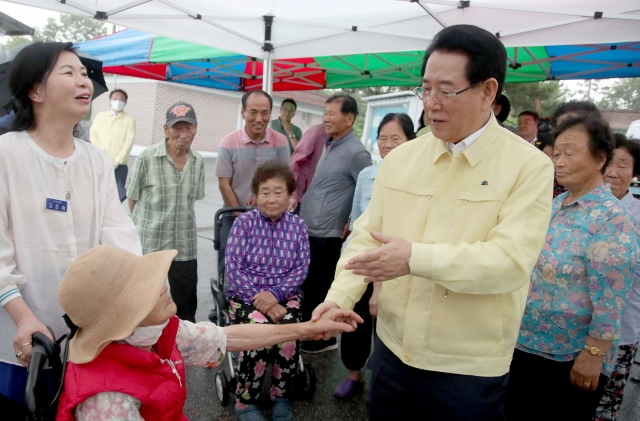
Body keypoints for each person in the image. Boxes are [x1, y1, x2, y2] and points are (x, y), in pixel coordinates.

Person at [312, 24, 555, 420]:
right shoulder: (403, 159)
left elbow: (510, 262)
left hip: (466, 369)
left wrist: (414, 259)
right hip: (391, 351)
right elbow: (366, 236)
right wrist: (339, 297)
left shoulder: (528, 167)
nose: (432, 104)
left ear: (488, 92)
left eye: (446, 90)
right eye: (425, 89)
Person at [55, 245, 363, 421]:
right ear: (126, 316)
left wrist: (308, 328)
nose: (163, 285)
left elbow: (228, 337)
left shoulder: (154, 332)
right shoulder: (108, 404)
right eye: (145, 288)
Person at [0, 42, 141, 420]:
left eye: (83, 73)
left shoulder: (95, 160)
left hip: (85, 333)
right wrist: (23, 316)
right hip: (17, 330)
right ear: (36, 90)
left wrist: (143, 290)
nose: (83, 81)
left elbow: (119, 236)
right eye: (68, 72)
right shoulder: (6, 154)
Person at [508, 116, 639, 421]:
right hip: (526, 347)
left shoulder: (612, 220)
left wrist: (593, 355)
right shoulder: (555, 206)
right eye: (557, 154)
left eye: (570, 153)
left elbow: (612, 300)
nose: (559, 162)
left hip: (570, 359)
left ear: (600, 159)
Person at [334, 113, 415, 400]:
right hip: (363, 260)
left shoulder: (416, 179)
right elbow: (359, 219)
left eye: (396, 138)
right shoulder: (368, 174)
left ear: (411, 141)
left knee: (386, 320)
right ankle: (354, 373)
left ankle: (381, 377)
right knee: (355, 319)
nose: (389, 144)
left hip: (395, 265)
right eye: (383, 138)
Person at [225, 161, 310, 421]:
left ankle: (280, 395)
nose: (271, 199)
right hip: (245, 295)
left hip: (283, 295)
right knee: (258, 330)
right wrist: (259, 299)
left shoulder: (298, 227)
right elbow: (233, 267)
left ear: (289, 195)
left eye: (278, 191)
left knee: (289, 329)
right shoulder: (244, 224)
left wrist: (276, 295)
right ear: (256, 195)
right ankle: (245, 400)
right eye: (265, 192)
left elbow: (301, 268)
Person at [299, 95, 372, 354]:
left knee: (320, 286)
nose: (326, 118)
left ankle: (324, 339)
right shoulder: (330, 145)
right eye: (325, 113)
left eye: (332, 113)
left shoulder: (356, 152)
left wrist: (351, 223)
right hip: (310, 229)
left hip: (328, 232)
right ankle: (311, 330)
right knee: (308, 284)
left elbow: (368, 191)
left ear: (350, 118)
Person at [126, 102, 205, 323]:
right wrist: (143, 227)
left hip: (184, 243)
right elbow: (132, 197)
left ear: (196, 128)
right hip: (150, 241)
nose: (183, 134)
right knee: (144, 301)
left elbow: (193, 200)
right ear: (165, 129)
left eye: (188, 127)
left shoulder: (198, 161)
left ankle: (182, 349)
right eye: (177, 127)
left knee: (186, 303)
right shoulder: (146, 158)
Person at [215, 90, 291, 290]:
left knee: (268, 270)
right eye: (253, 112)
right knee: (229, 270)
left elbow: (283, 180)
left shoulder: (280, 142)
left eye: (265, 113)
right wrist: (242, 215)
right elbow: (224, 184)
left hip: (271, 217)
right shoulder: (228, 143)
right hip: (233, 215)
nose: (259, 119)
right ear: (243, 113)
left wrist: (262, 198)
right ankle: (223, 312)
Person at [595, 134, 640, 421]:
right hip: (578, 326)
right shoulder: (583, 207)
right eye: (609, 163)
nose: (613, 172)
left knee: (606, 401)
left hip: (623, 325)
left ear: (635, 172)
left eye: (622, 165)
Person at [89, 89, 136, 202]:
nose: (118, 101)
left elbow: (129, 141)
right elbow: (93, 133)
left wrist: (117, 161)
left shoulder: (129, 120)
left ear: (126, 102)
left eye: (121, 99)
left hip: (119, 166)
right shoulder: (101, 116)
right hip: (100, 161)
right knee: (96, 193)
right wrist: (101, 151)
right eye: (115, 99)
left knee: (116, 196)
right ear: (110, 100)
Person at [289, 123, 328, 212]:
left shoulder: (347, 144)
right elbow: (295, 162)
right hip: (301, 199)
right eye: (327, 114)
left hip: (323, 203)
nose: (327, 118)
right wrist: (293, 193)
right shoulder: (316, 132)